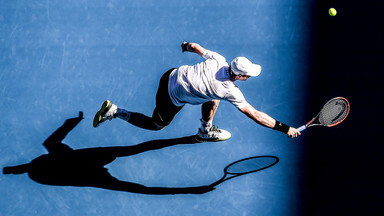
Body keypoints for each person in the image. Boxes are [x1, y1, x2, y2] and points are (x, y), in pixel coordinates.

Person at [93, 42, 301, 140]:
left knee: (213, 98)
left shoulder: (219, 60)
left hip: (171, 74)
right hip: (170, 96)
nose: (248, 78)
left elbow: (194, 46)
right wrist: (285, 128)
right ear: (239, 76)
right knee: (157, 125)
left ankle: (204, 130)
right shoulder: (230, 90)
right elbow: (255, 115)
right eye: (247, 76)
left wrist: (185, 46)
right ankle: (115, 111)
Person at [3, 112, 214, 195]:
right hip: (83, 164)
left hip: (81, 170)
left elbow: (142, 189)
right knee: (138, 149)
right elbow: (50, 142)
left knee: (136, 176)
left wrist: (194, 190)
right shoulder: (50, 163)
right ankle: (192, 139)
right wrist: (70, 124)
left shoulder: (50, 170)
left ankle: (192, 140)